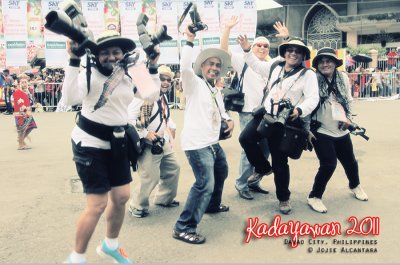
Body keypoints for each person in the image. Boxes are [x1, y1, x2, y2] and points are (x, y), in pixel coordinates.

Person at [62, 30, 160, 264]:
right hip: (90, 144)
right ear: (96, 55)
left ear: (123, 53)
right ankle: (76, 258)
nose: (111, 57)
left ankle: (110, 245)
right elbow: (69, 99)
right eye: (104, 52)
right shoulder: (90, 73)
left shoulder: (130, 72)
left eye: (116, 51)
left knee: (122, 197)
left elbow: (152, 94)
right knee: (97, 205)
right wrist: (73, 60)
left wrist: (153, 66)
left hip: (117, 143)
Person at [237, 37, 319, 214]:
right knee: (245, 139)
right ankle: (263, 168)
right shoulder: (275, 66)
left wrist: (299, 109)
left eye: (298, 51)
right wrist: (246, 50)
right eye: (290, 50)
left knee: (280, 162)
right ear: (285, 52)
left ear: (303, 55)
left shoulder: (308, 74)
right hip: (265, 116)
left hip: (284, 121)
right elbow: (256, 66)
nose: (293, 53)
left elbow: (313, 98)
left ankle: (283, 198)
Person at [172, 26, 234, 244]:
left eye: (218, 65)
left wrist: (228, 119)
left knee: (222, 171)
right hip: (197, 144)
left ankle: (212, 205)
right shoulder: (194, 84)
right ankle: (184, 227)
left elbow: (220, 109)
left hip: (212, 143)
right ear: (202, 66)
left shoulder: (213, 88)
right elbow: (184, 68)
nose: (215, 68)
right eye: (211, 64)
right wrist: (189, 39)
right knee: (204, 183)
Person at [221, 16, 289, 200]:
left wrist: (285, 38)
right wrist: (227, 28)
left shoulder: (272, 64)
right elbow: (224, 51)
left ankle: (254, 181)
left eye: (265, 46)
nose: (262, 48)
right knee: (248, 149)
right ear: (252, 47)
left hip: (267, 113)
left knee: (265, 148)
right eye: (258, 45)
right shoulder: (243, 60)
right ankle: (241, 183)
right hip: (248, 111)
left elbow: (287, 57)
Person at [307, 47, 368, 213]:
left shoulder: (342, 77)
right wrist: (305, 128)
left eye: (329, 61)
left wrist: (348, 119)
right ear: (317, 64)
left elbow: (348, 99)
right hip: (321, 129)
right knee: (328, 164)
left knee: (350, 162)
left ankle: (355, 186)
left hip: (341, 128)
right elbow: (306, 103)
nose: (325, 64)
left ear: (335, 63)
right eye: (321, 61)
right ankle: (314, 196)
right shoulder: (312, 79)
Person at [127, 65, 180, 218]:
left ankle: (164, 199)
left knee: (173, 168)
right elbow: (128, 119)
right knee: (150, 177)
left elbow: (165, 116)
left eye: (168, 80)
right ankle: (137, 205)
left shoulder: (161, 97)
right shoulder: (143, 96)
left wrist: (171, 127)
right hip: (148, 144)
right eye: (162, 79)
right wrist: (144, 133)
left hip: (162, 142)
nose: (165, 82)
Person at [13, 75, 37, 150]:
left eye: (25, 82)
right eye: (22, 82)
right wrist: (26, 111)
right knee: (21, 129)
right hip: (21, 114)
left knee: (31, 126)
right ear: (19, 84)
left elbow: (29, 101)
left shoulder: (27, 91)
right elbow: (20, 102)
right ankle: (20, 144)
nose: (24, 84)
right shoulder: (17, 92)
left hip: (27, 113)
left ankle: (21, 140)